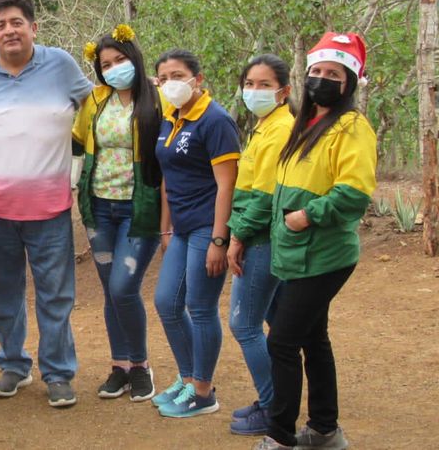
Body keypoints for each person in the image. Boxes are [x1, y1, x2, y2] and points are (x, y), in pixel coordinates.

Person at [0, 0, 92, 408]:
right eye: (0, 25)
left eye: (17, 22)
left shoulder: (61, 65)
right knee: (2, 294)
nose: (9, 31)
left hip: (51, 209)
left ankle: (58, 373)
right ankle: (14, 365)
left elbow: (97, 107)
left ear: (33, 28)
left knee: (56, 296)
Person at [254, 33, 376, 450]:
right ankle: (325, 430)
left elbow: (354, 192)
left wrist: (307, 216)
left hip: (324, 254)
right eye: (317, 70)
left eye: (333, 74)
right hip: (298, 251)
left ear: (349, 82)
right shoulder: (305, 123)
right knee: (312, 338)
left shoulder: (351, 127)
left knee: (282, 340)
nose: (322, 79)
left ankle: (280, 436)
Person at [73, 26, 162, 402]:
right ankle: (119, 366)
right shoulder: (95, 99)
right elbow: (77, 142)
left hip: (138, 208)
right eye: (106, 64)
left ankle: (140, 365)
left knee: (124, 287)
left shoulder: (158, 98)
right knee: (111, 291)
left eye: (120, 60)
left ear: (134, 58)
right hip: (98, 207)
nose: (113, 69)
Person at [151, 48, 240, 418]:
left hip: (207, 226)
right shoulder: (170, 117)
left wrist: (220, 239)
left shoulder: (216, 121)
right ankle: (187, 377)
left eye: (178, 75)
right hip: (182, 227)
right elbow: (168, 176)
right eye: (163, 78)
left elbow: (227, 184)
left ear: (198, 79)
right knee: (166, 302)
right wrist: (166, 226)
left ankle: (203, 391)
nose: (170, 84)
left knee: (201, 307)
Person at [224, 55, 295, 436]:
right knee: (276, 325)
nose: (254, 91)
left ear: (284, 91)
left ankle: (272, 407)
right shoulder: (266, 126)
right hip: (263, 235)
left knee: (244, 324)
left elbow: (265, 196)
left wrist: (237, 237)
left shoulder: (281, 130)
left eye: (264, 85)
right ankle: (279, 401)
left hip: (262, 238)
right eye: (249, 84)